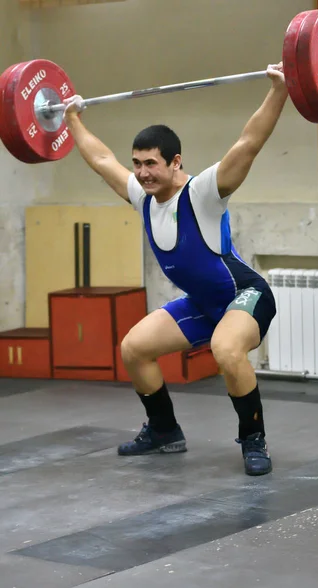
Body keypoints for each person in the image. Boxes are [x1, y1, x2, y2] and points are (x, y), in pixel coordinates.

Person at [62, 62, 288, 476]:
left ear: (175, 162)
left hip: (246, 295)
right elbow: (100, 158)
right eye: (138, 164)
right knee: (133, 348)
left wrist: (281, 89)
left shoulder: (201, 193)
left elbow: (248, 144)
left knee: (226, 349)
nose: (143, 172)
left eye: (151, 163)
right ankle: (165, 431)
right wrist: (71, 117)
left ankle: (254, 439)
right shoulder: (142, 195)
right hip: (203, 304)